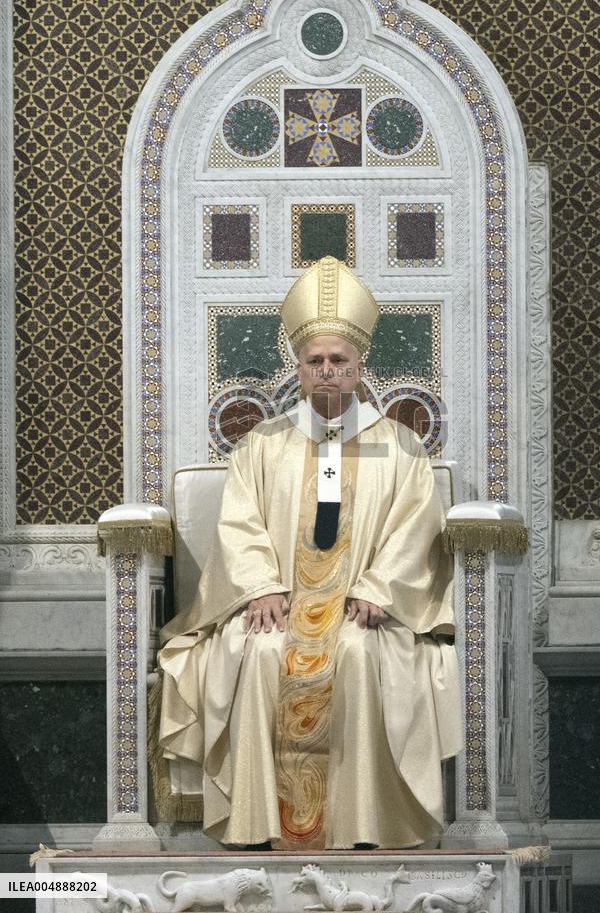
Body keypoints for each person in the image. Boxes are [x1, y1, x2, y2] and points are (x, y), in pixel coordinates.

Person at [157, 255, 462, 849]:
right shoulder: (262, 445)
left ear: (359, 366)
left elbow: (414, 526)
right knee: (264, 654)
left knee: (356, 654)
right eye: (315, 361)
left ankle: (364, 824)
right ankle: (259, 825)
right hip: (277, 602)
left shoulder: (398, 446)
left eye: (338, 361)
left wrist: (379, 589)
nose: (327, 372)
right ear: (297, 367)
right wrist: (260, 586)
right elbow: (239, 523)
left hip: (361, 608)